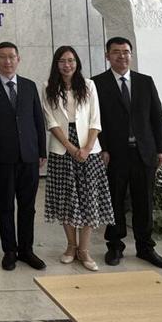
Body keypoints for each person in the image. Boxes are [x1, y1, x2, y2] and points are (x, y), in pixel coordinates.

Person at [92, 37, 162, 270]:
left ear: (131, 54)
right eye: (116, 52)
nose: (122, 56)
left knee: (144, 202)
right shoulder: (96, 83)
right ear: (107, 56)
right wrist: (102, 147)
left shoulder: (145, 82)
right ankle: (115, 246)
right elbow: (95, 120)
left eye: (126, 51)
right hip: (114, 154)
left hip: (144, 153)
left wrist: (161, 150)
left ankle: (145, 247)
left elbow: (156, 117)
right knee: (114, 201)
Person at [41, 46, 114, 272]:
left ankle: (84, 250)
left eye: (71, 60)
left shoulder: (89, 85)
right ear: (56, 64)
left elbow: (95, 119)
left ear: (77, 63)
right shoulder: (47, 87)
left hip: (88, 147)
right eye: (62, 61)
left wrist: (87, 147)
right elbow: (51, 122)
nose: (67, 65)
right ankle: (71, 246)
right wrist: (71, 148)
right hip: (62, 148)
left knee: (88, 198)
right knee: (66, 199)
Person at [0, 42, 47, 271]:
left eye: (11, 56)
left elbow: (38, 120)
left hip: (29, 155)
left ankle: (26, 250)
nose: (7, 61)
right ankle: (9, 250)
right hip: (4, 157)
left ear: (18, 59)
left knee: (28, 206)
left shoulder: (29, 86)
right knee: (6, 205)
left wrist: (41, 151)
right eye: (2, 57)